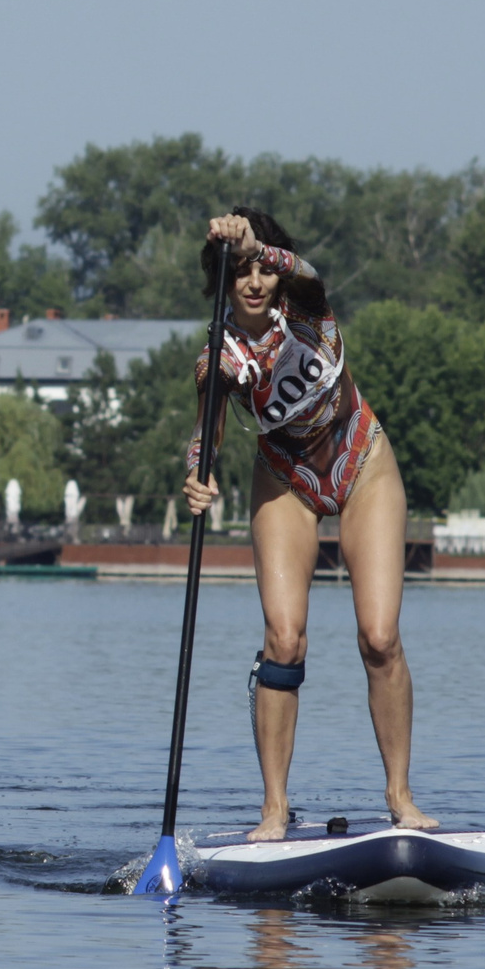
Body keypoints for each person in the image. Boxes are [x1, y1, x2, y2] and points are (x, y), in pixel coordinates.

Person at [180, 208, 438, 841]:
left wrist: (257, 244)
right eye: (238, 272)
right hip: (284, 478)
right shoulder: (218, 356)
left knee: (379, 637)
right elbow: (205, 433)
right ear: (222, 283)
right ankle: (274, 808)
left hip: (360, 463)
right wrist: (197, 472)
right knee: (284, 639)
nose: (253, 281)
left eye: (261, 268)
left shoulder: (305, 304)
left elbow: (308, 270)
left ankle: (401, 798)